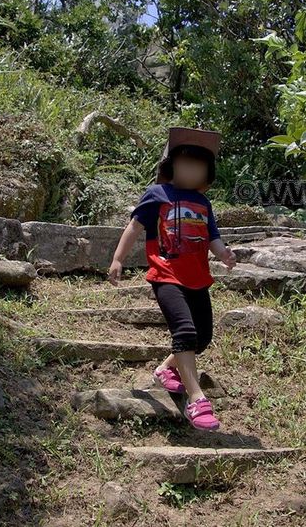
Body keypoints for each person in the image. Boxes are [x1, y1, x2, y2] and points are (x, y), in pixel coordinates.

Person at [108, 127, 237, 431]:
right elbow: (134, 228)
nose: (193, 169)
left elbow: (213, 239)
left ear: (208, 172)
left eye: (200, 165)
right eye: (186, 162)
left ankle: (166, 370)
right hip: (166, 275)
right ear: (171, 165)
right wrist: (117, 258)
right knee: (185, 330)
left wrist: (224, 255)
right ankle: (196, 399)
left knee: (202, 337)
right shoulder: (157, 194)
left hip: (198, 279)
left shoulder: (204, 205)